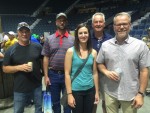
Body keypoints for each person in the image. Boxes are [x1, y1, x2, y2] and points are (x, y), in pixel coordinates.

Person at [96, 12, 150, 113]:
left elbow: (144, 71)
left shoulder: (140, 46)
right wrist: (106, 72)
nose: (121, 27)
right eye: (118, 24)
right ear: (114, 27)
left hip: (131, 93)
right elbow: (99, 63)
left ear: (129, 25)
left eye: (124, 24)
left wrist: (140, 94)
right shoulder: (105, 45)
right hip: (110, 92)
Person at [2, 22, 43, 113]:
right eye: (22, 31)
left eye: (26, 31)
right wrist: (19, 67)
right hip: (20, 88)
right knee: (18, 111)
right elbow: (5, 68)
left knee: (39, 109)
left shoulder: (38, 47)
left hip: (37, 85)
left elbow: (43, 60)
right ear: (18, 33)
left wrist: (44, 74)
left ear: (30, 32)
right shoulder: (11, 50)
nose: (24, 34)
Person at [42, 12, 74, 113]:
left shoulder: (73, 39)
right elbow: (46, 58)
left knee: (67, 102)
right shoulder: (49, 39)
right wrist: (46, 76)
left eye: (64, 20)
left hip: (67, 75)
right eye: (60, 20)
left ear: (66, 22)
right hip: (53, 75)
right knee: (55, 103)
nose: (62, 22)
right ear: (56, 22)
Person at [65, 23, 99, 113]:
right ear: (77, 35)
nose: (83, 35)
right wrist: (69, 94)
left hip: (90, 90)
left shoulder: (94, 52)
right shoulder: (70, 51)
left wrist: (97, 92)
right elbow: (67, 74)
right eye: (80, 33)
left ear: (88, 34)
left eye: (85, 33)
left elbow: (95, 73)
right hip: (76, 91)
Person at [91, 12, 112, 113]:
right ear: (92, 24)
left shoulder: (111, 39)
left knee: (106, 102)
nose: (98, 24)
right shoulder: (86, 38)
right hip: (90, 75)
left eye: (100, 22)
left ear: (104, 23)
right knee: (92, 102)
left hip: (105, 75)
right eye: (96, 22)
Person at [142, 27, 150, 95]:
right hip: (146, 59)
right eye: (149, 31)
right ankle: (146, 89)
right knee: (146, 74)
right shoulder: (144, 39)